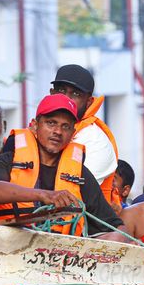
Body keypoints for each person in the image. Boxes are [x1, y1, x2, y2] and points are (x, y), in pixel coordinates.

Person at [0, 94, 126, 239]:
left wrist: (126, 239)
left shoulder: (80, 174)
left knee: (118, 237)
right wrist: (44, 195)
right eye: (51, 123)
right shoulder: (9, 160)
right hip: (8, 243)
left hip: (60, 254)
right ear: (35, 125)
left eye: (65, 127)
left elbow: (114, 225)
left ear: (72, 134)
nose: (58, 131)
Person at [50, 64, 120, 206]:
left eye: (76, 94)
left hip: (83, 224)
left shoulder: (97, 142)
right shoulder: (38, 128)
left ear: (89, 102)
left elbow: (70, 195)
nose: (66, 99)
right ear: (51, 93)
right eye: (61, 90)